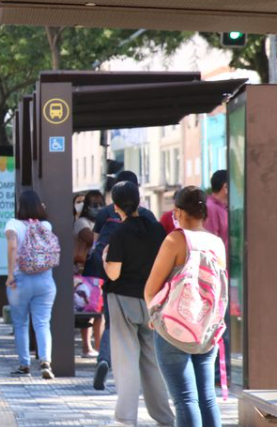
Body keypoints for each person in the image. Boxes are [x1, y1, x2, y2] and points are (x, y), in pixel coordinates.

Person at [146, 186, 227, 427]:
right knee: (206, 398)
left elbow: (152, 287)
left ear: (179, 212)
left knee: (184, 399)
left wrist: (154, 315)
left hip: (174, 328)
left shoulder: (175, 239)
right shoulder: (216, 243)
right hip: (207, 330)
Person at [102, 181, 175, 427]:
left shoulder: (119, 233)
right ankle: (164, 417)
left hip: (123, 299)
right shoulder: (155, 229)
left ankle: (125, 418)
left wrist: (104, 259)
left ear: (116, 206)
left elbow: (113, 273)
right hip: (152, 300)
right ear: (139, 201)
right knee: (152, 361)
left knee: (126, 360)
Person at [91, 170, 156, 390]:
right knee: (149, 347)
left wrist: (103, 258)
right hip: (148, 292)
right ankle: (161, 409)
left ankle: (105, 360)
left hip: (118, 292)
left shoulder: (108, 218)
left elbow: (103, 255)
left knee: (117, 335)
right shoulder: (151, 221)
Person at [5, 190, 58, 379]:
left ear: (20, 206)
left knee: (20, 324)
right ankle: (45, 361)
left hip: (21, 280)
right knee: (43, 322)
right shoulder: (46, 225)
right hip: (45, 280)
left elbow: (12, 246)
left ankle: (24, 364)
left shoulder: (13, 224)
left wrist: (10, 275)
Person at [202, 170, 231, 384]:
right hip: (217, 278)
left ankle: (222, 373)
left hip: (225, 276)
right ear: (225, 187)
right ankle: (218, 374)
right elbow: (211, 246)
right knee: (220, 324)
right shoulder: (213, 209)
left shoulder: (222, 209)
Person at [73, 189, 105, 357]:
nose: (98, 208)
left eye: (100, 205)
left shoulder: (102, 222)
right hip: (84, 272)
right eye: (94, 205)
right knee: (88, 310)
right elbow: (92, 239)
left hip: (98, 271)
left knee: (98, 312)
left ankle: (98, 347)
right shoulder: (82, 222)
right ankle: (87, 347)